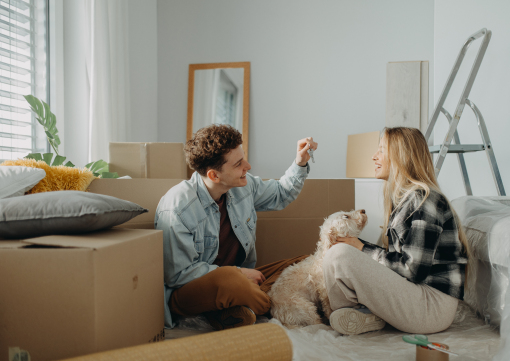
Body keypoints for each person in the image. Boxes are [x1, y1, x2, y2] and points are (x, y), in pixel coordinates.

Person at [155, 124, 317, 330]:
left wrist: (300, 162)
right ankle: (275, 304)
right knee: (230, 281)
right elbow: (178, 274)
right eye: (239, 164)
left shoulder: (243, 185)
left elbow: (280, 194)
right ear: (214, 175)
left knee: (306, 263)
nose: (248, 167)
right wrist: (239, 273)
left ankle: (235, 311)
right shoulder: (177, 207)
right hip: (193, 291)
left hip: (242, 279)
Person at [323, 127, 469, 335]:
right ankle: (359, 314)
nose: (374, 156)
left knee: (340, 255)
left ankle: (359, 311)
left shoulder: (425, 200)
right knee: (335, 253)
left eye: (381, 150)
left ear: (401, 157)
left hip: (431, 307)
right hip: (416, 295)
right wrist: (359, 247)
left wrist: (362, 247)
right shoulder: (404, 200)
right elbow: (397, 262)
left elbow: (412, 271)